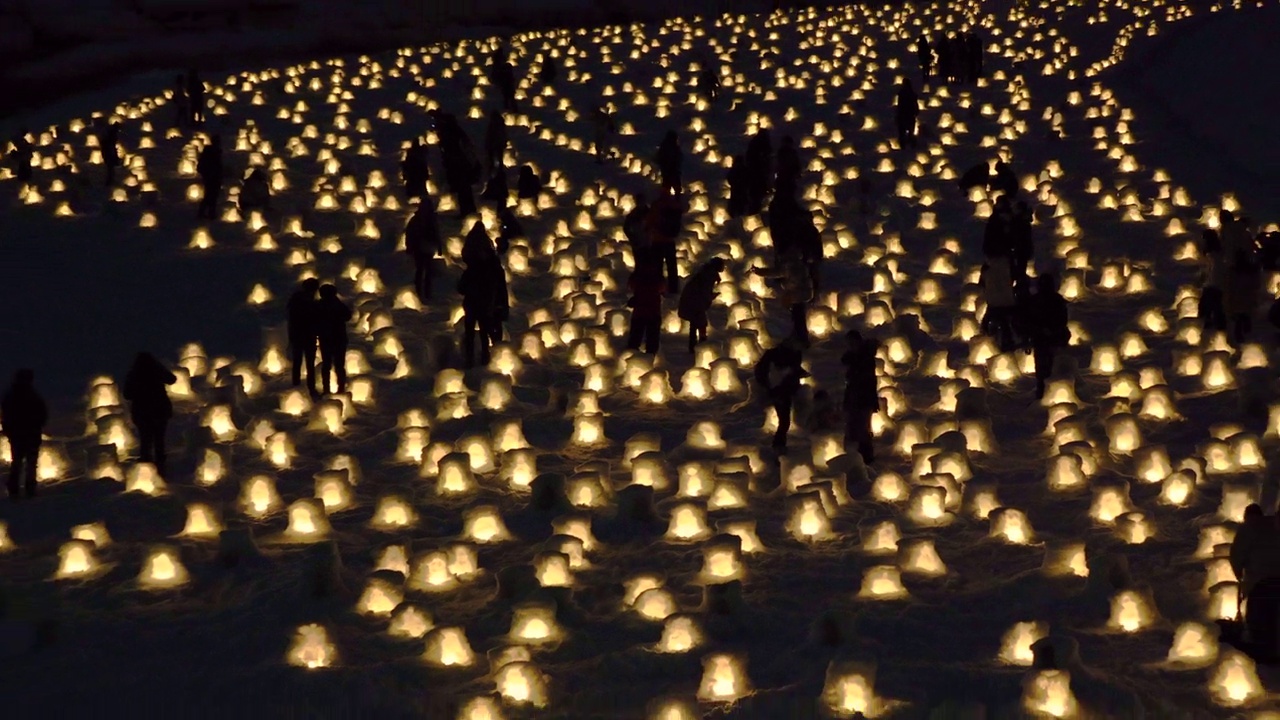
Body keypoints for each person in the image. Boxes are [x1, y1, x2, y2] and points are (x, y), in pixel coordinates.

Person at [458, 226, 505, 367]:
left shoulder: (472, 267)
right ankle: (484, 356)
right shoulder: (491, 266)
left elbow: (461, 287)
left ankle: (471, 358)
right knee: (484, 330)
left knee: (471, 331)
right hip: (484, 302)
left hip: (473, 302)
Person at [124, 353, 177, 476]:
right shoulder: (157, 372)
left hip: (142, 412)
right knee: (159, 439)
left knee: (145, 439)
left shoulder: (133, 374)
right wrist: (159, 368)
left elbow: (127, 394)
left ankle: (146, 466)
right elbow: (172, 379)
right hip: (159, 410)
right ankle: (160, 467)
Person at [751, 248, 814, 346]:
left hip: (800, 294)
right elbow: (776, 272)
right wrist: (760, 272)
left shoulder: (794, 268)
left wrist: (787, 291)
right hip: (799, 294)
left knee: (798, 317)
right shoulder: (794, 266)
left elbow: (789, 279)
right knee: (797, 316)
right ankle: (798, 336)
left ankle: (801, 339)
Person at [754, 338, 808, 452]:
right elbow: (761, 371)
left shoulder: (796, 354)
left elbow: (794, 369)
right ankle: (778, 446)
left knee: (787, 420)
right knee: (784, 421)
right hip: (779, 391)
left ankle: (779, 445)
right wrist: (768, 384)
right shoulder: (774, 354)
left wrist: (799, 374)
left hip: (789, 390)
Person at [1, 369, 47, 499]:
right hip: (28, 434)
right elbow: (42, 414)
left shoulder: (11, 396)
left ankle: (16, 488)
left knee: (19, 462)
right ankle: (27, 488)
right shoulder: (32, 396)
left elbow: (5, 417)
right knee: (28, 463)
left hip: (21, 435)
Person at [1028, 273, 1070, 399]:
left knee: (1043, 367)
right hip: (1050, 338)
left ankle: (1043, 391)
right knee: (1051, 366)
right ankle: (1047, 391)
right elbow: (1063, 319)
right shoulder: (1057, 300)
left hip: (1044, 338)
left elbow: (1029, 320)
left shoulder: (1035, 300)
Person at [841, 332, 879, 464]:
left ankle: (866, 456)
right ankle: (857, 456)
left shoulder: (865, 359)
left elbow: (867, 380)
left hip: (863, 398)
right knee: (853, 427)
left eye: (852, 343)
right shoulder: (853, 358)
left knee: (862, 428)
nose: (850, 346)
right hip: (854, 396)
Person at [678, 257, 726, 352]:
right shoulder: (708, 276)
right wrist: (711, 296)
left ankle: (696, 345)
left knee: (696, 323)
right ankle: (700, 346)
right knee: (699, 322)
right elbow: (703, 292)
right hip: (694, 302)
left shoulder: (705, 273)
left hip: (692, 301)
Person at [626, 249, 668, 355]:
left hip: (639, 312)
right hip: (653, 312)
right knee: (652, 339)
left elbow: (631, 286)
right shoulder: (657, 277)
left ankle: (633, 356)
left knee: (635, 337)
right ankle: (650, 358)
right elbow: (662, 288)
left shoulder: (637, 276)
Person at [316, 284, 352, 394]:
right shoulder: (337, 304)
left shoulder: (321, 305)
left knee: (329, 365)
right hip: (337, 338)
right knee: (337, 365)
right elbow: (347, 316)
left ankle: (329, 389)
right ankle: (338, 388)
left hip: (329, 339)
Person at [646, 187, 684, 293]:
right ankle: (673, 288)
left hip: (657, 240)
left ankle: (658, 287)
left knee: (657, 266)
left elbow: (649, 221)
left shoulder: (656, 205)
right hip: (670, 240)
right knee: (672, 266)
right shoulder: (674, 204)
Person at [288, 278, 320, 396]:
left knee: (299, 362)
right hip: (306, 336)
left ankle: (298, 387)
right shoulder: (309, 303)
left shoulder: (295, 301)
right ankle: (308, 388)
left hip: (299, 336)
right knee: (307, 363)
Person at [405, 200, 442, 299]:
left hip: (426, 248)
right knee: (422, 271)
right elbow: (410, 234)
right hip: (421, 248)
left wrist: (439, 247)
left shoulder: (425, 220)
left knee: (425, 271)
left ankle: (425, 293)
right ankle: (422, 292)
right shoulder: (420, 220)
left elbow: (436, 233)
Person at [1226, 249, 1263, 345]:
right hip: (1246, 301)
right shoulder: (1250, 272)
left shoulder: (1233, 272)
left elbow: (1230, 288)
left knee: (1240, 323)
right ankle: (1247, 342)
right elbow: (1256, 285)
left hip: (1239, 301)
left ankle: (1243, 343)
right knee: (1245, 322)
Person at [1199, 229, 1229, 332]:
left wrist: (1205, 278)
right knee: (1215, 307)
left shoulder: (1213, 255)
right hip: (1215, 284)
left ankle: (1216, 329)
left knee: (1211, 308)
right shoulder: (1218, 253)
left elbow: (1212, 270)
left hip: (1213, 284)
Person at [197, 135, 223, 219]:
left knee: (212, 195)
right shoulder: (211, 152)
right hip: (211, 176)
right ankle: (204, 213)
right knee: (210, 195)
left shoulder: (212, 151)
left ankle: (210, 212)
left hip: (212, 176)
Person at [1010, 200, 1034, 287]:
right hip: (1021, 250)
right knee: (1019, 271)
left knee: (1019, 271)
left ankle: (1019, 287)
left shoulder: (1018, 222)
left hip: (1020, 250)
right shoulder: (1021, 222)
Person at [655, 130, 683, 196]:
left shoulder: (668, 147)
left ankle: (671, 201)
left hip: (670, 171)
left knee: (670, 188)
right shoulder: (670, 147)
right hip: (670, 171)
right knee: (670, 188)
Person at [894, 79, 919, 148]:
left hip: (903, 115)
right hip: (910, 115)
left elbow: (900, 105)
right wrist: (916, 112)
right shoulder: (912, 93)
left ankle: (903, 145)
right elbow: (915, 105)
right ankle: (911, 145)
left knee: (902, 132)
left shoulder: (902, 94)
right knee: (910, 131)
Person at [100, 120, 121, 187]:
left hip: (108, 153)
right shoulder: (111, 136)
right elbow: (110, 147)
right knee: (110, 169)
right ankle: (109, 182)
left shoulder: (109, 134)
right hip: (109, 154)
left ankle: (110, 181)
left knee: (110, 169)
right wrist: (115, 157)